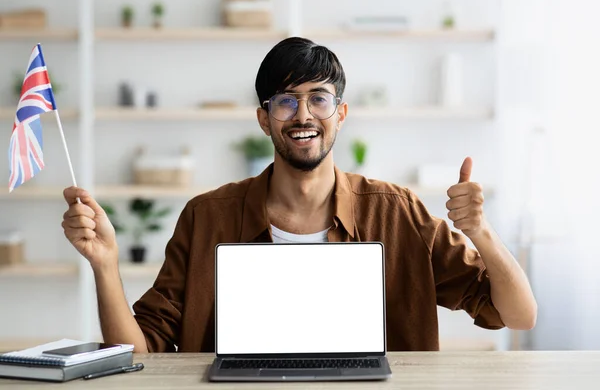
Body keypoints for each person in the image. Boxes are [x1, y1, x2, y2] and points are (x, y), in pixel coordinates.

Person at [62, 37, 537, 353]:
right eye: (286, 100)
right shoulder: (206, 216)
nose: (303, 114)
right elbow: (139, 351)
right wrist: (105, 265)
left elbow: (518, 315)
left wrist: (481, 232)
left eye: (319, 98)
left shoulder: (397, 212)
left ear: (341, 112)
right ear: (264, 118)